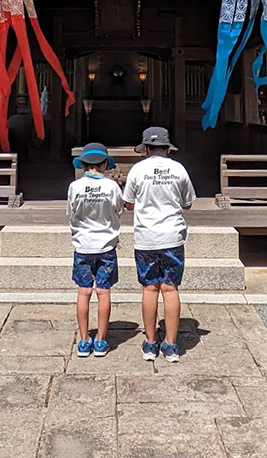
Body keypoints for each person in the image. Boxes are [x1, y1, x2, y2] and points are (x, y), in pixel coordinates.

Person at [123, 126, 195, 363]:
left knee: (150, 288)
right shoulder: (179, 169)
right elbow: (188, 204)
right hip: (172, 236)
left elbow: (129, 203)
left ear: (145, 148)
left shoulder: (137, 170)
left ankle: (151, 342)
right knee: (170, 288)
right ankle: (172, 345)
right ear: (167, 148)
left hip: (146, 237)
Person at [68, 141, 123, 357]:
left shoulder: (75, 187)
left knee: (83, 292)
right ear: (104, 164)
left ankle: (83, 340)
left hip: (83, 245)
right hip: (106, 245)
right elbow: (118, 210)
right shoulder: (111, 186)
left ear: (82, 164)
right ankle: (100, 340)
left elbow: (71, 211)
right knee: (103, 291)